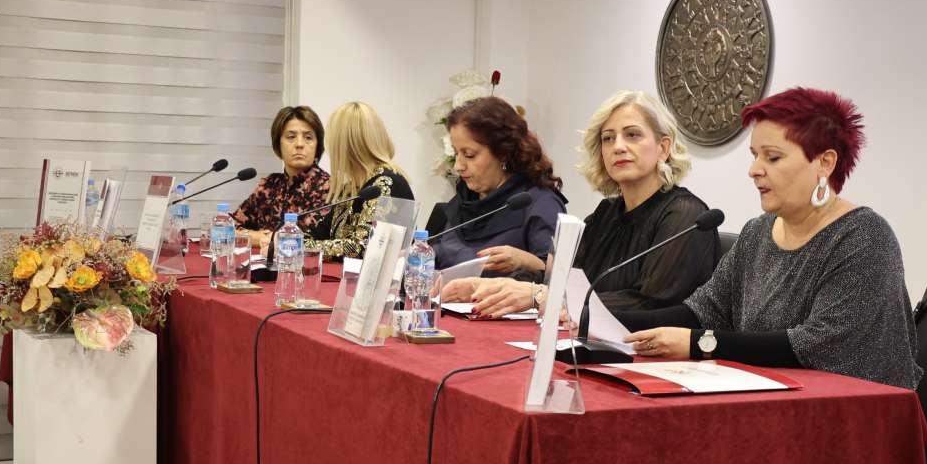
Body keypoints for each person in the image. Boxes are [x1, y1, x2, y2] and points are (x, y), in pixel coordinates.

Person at [619, 88, 922, 464]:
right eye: (754, 156)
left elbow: (814, 345)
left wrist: (700, 345)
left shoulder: (865, 237)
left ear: (824, 162)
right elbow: (700, 310)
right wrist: (597, 319)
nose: (755, 170)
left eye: (772, 157)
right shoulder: (760, 234)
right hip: (769, 422)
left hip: (853, 438)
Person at [443, 90, 719, 317]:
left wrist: (541, 296)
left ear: (663, 148)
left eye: (632, 135)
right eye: (608, 138)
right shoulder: (605, 214)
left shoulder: (687, 216)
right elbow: (565, 281)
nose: (618, 146)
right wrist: (490, 287)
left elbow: (652, 304)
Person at [432, 97, 567, 279]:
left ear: (502, 153)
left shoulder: (540, 204)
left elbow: (557, 280)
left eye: (469, 155)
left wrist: (526, 261)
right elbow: (439, 255)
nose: (458, 166)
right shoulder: (466, 198)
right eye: (456, 153)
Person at [307, 101, 414, 259]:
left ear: (344, 145)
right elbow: (319, 234)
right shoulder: (351, 188)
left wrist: (299, 246)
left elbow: (362, 248)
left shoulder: (386, 184)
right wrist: (290, 239)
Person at [232, 105, 330, 247]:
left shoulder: (328, 188)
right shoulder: (269, 185)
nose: (299, 144)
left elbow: (302, 241)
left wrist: (265, 238)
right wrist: (260, 238)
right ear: (278, 144)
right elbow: (226, 228)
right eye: (291, 137)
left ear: (317, 146)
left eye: (308, 137)